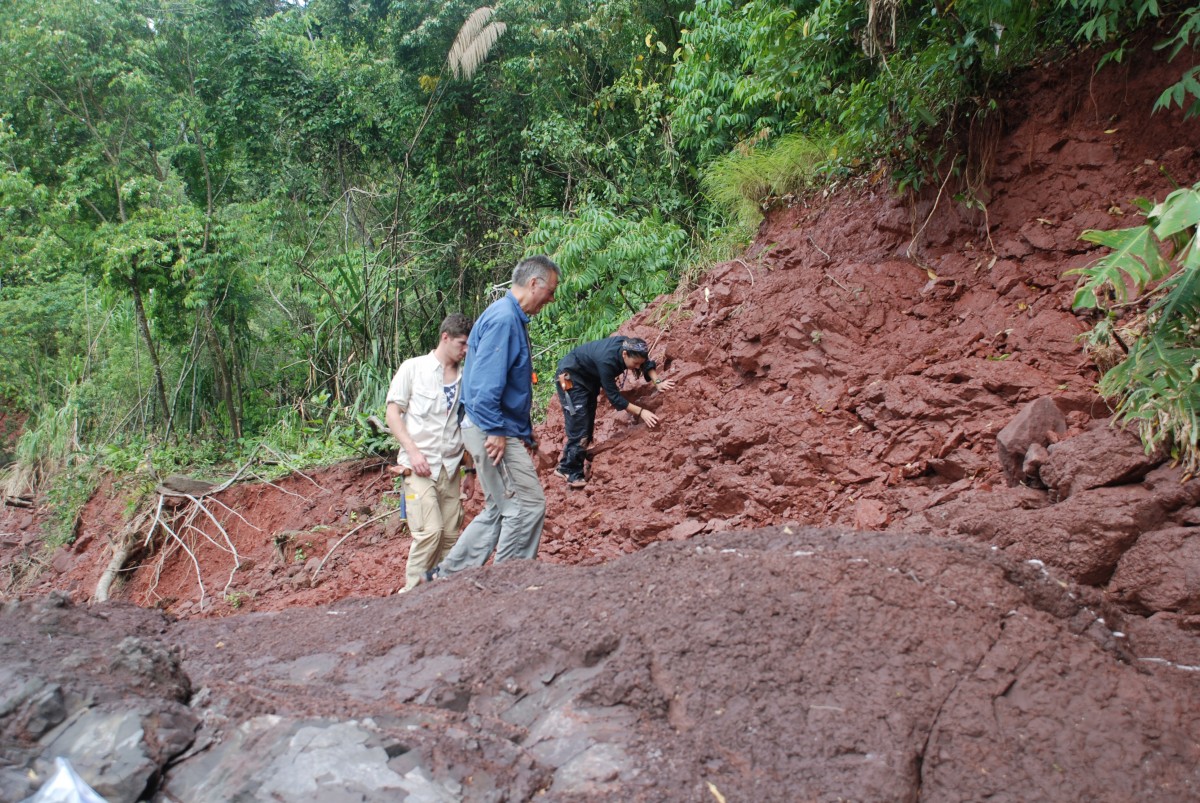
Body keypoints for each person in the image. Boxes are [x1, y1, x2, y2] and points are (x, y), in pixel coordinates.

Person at [425, 255, 560, 581]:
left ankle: (449, 575)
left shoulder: (507, 317)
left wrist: (525, 435)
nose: (552, 299)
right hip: (489, 427)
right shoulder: (503, 320)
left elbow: (504, 383)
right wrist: (498, 431)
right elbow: (485, 385)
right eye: (551, 291)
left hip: (488, 425)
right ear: (533, 284)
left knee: (499, 508)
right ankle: (508, 581)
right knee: (525, 506)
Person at [385, 312, 477, 591]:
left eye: (468, 346)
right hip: (418, 467)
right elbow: (392, 412)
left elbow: (465, 424)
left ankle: (439, 595)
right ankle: (411, 594)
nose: (465, 350)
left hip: (450, 468)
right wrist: (412, 451)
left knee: (449, 535)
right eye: (461, 344)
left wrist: (469, 470)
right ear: (444, 338)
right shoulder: (414, 369)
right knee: (429, 532)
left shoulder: (466, 377)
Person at [553, 336, 675, 488]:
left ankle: (568, 464)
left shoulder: (631, 346)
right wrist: (642, 412)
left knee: (587, 421)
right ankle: (569, 470)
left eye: (639, 363)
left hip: (588, 378)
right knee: (580, 424)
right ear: (624, 354)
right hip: (571, 377)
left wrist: (658, 382)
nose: (637, 367)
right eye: (635, 363)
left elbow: (646, 363)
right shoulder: (607, 361)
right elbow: (615, 397)